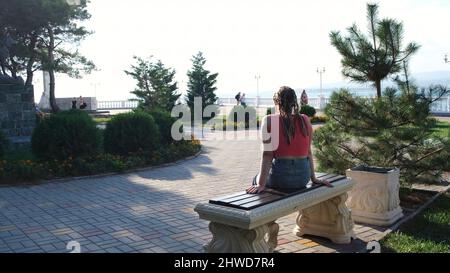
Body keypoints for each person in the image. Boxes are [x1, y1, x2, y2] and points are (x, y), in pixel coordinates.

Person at [246, 86, 333, 194]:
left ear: (277, 102)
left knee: (256, 179)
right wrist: (314, 178)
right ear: (294, 101)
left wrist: (261, 184)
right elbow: (308, 152)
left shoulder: (269, 120)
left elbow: (267, 155)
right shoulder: (305, 119)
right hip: (302, 178)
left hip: (280, 178)